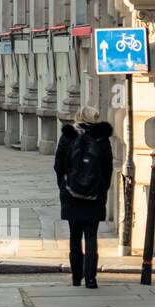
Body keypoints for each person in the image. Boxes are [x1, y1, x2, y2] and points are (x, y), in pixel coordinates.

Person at [54, 106, 114, 289]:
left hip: (71, 193)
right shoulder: (102, 139)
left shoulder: (68, 136)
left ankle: (76, 278)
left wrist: (64, 187)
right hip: (95, 194)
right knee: (91, 235)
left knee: (74, 235)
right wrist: (102, 187)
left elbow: (58, 166)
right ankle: (91, 279)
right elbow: (108, 168)